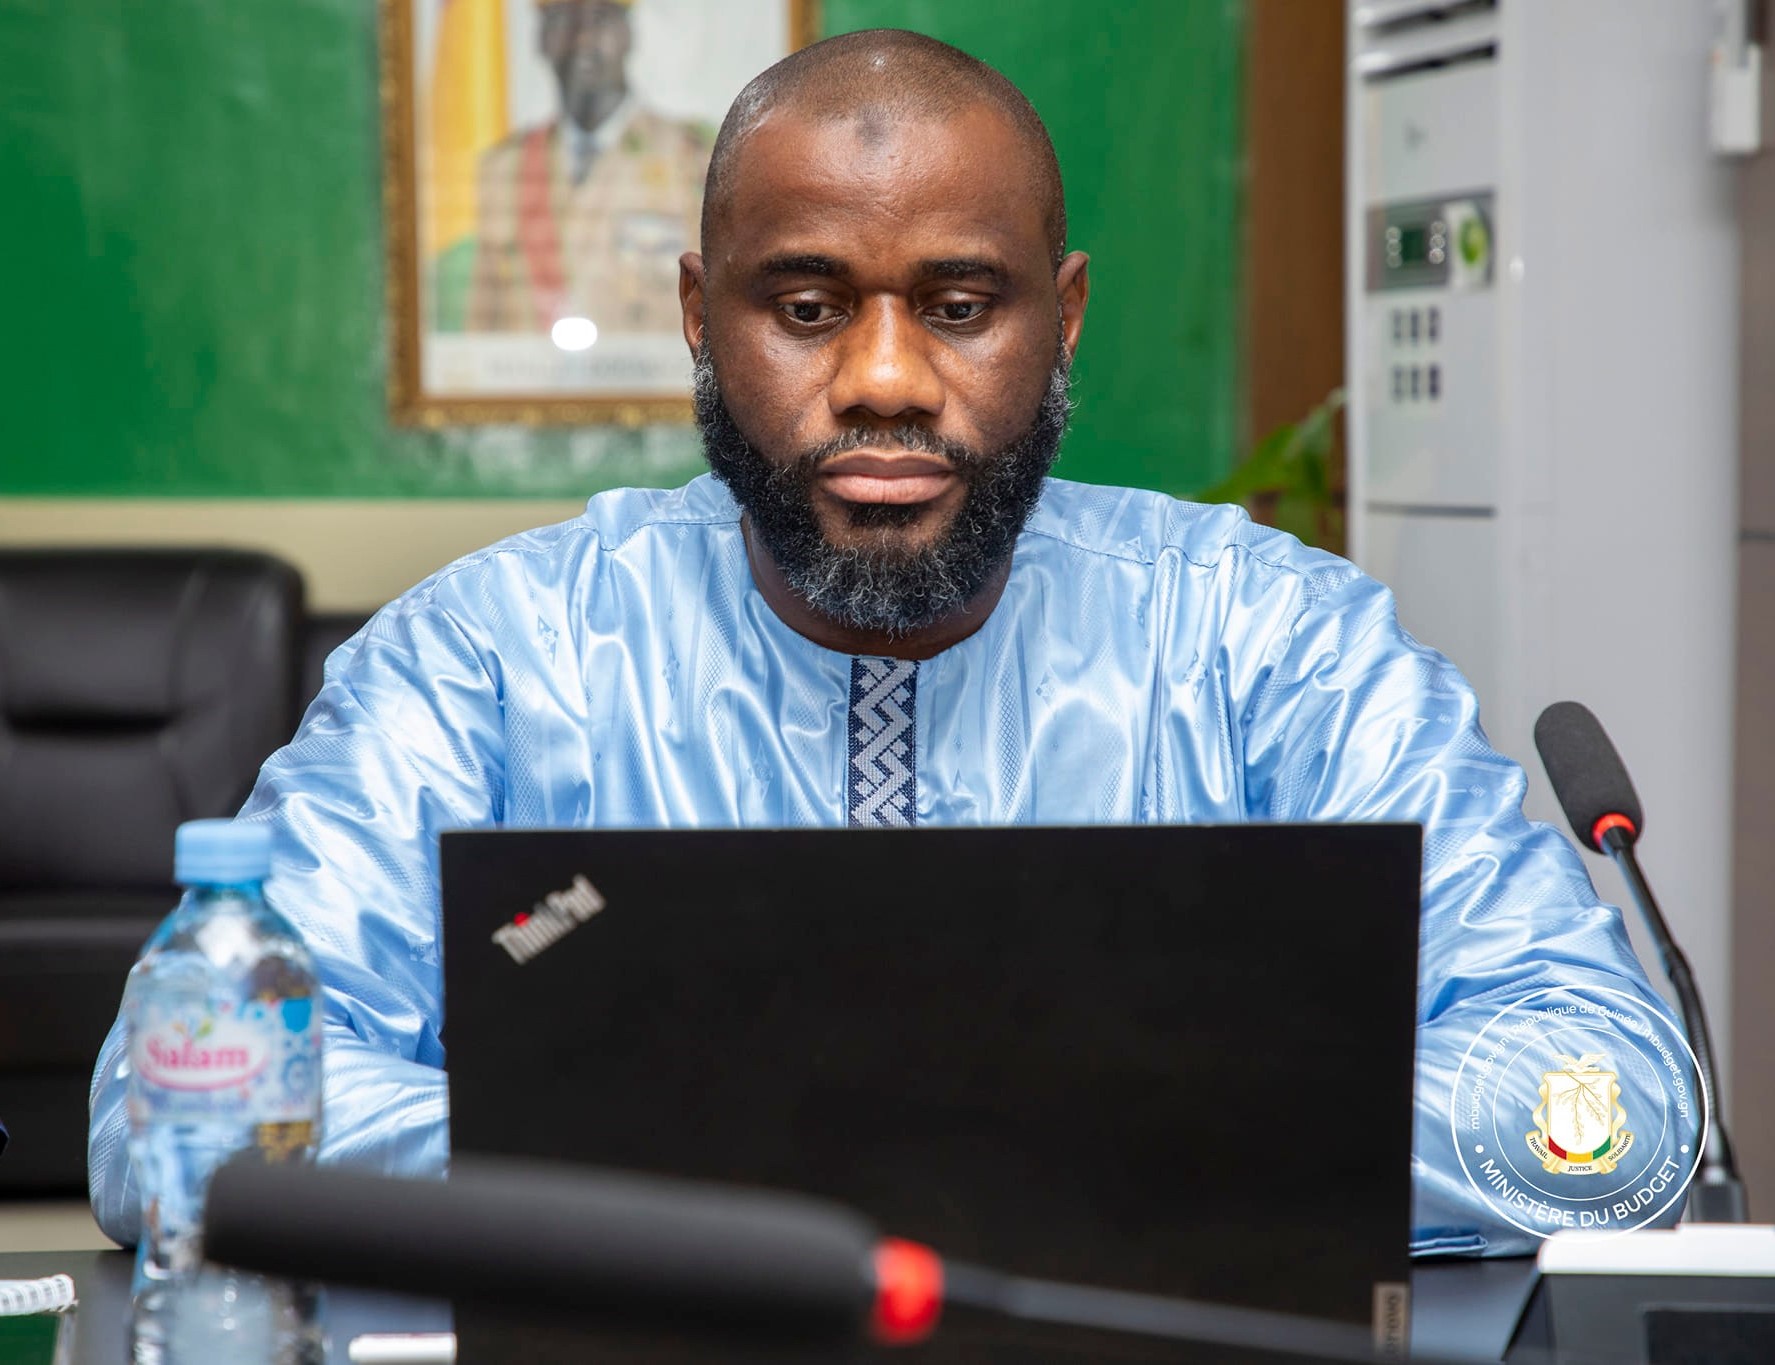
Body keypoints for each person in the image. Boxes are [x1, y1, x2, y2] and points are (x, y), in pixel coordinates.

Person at [90, 29, 1691, 1258]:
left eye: (957, 304)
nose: (880, 380)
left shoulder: (1270, 647)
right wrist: (785, 1181)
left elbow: (1607, 1109)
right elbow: (181, 1117)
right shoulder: (493, 663)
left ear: (1061, 317)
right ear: (698, 316)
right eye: (803, 307)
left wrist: (966, 1142)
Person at [461, 0, 713, 336]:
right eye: (561, 19)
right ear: (541, 39)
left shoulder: (692, 160)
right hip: (530, 370)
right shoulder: (504, 169)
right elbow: (482, 330)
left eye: (600, 17)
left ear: (627, 33)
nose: (581, 38)